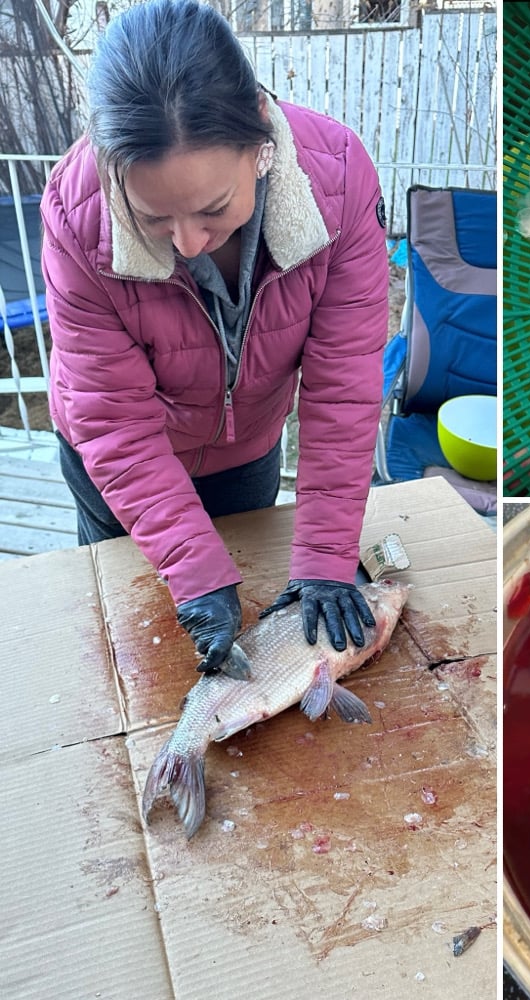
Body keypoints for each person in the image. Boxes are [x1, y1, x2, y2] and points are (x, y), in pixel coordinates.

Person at [40, 0, 389, 673]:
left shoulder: (339, 180)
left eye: (213, 209)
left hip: (244, 445)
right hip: (118, 467)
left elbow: (343, 387)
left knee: (256, 609)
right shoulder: (74, 214)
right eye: (153, 220)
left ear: (259, 135)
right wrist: (194, 572)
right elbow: (112, 420)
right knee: (140, 653)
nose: (189, 243)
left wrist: (325, 556)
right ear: (113, 174)